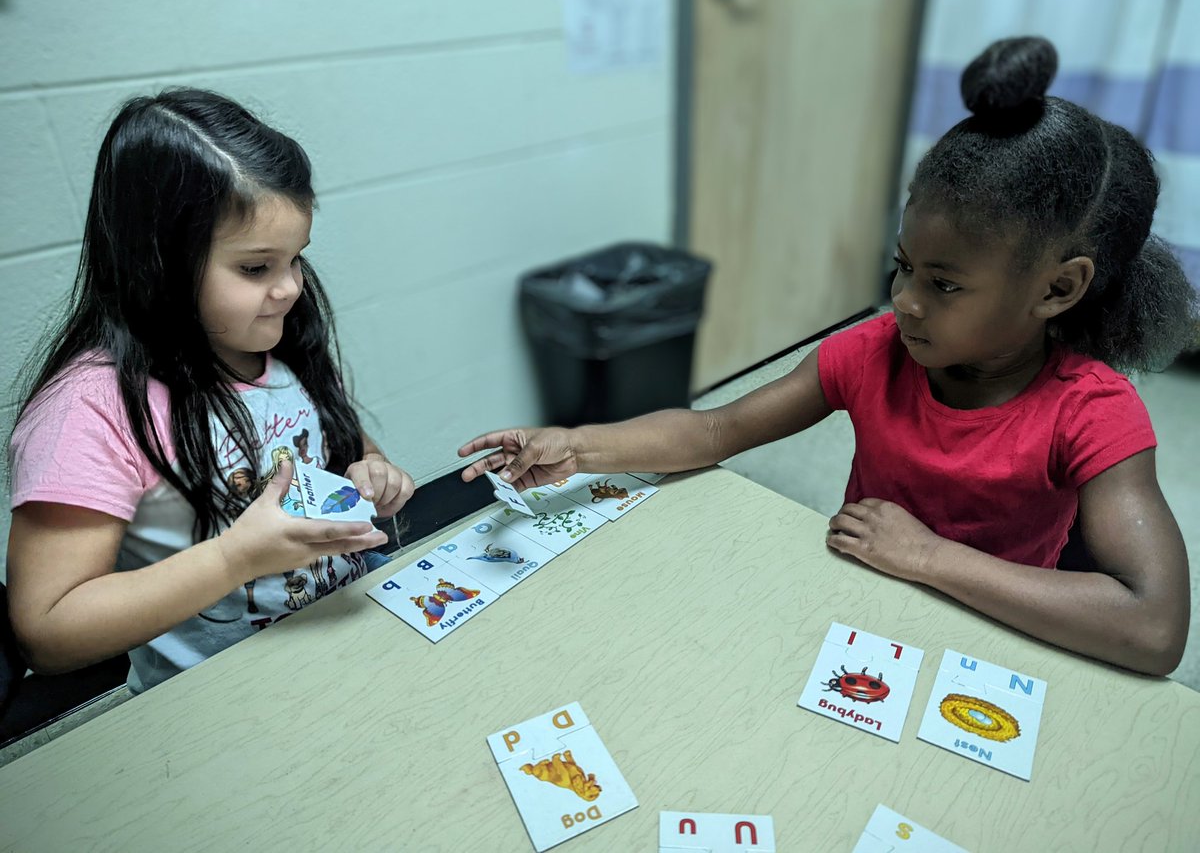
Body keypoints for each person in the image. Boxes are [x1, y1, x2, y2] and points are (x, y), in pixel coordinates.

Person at [459, 37, 1197, 676]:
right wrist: (576, 444)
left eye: (943, 284)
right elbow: (716, 431)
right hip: (855, 604)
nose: (905, 300)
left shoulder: (1093, 413)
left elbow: (1154, 627)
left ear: (1058, 289)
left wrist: (928, 557)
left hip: (999, 633)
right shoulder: (873, 353)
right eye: (904, 266)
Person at [6, 88, 414, 692]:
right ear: (159, 264)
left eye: (296, 259)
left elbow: (341, 445)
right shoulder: (89, 409)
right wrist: (235, 558)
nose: (291, 289)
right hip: (223, 693)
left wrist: (372, 472)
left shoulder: (269, 333)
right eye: (255, 268)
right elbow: (49, 631)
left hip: (344, 631)